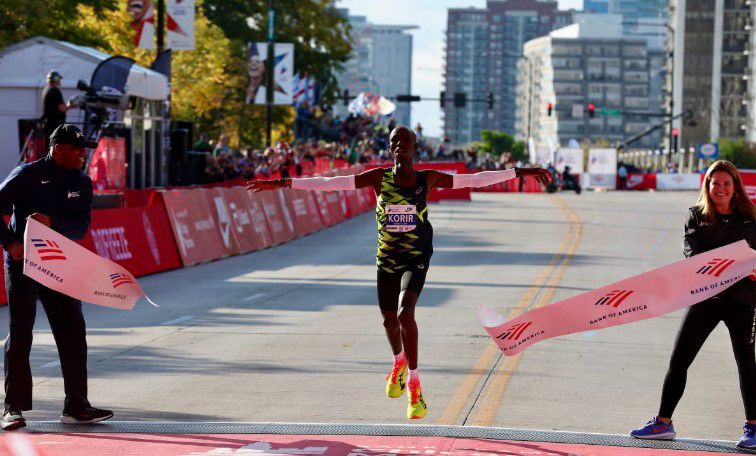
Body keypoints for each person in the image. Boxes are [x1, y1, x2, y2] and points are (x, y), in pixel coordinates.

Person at [247, 126, 551, 420]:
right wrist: (283, 182)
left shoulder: (426, 180)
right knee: (389, 320)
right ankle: (398, 362)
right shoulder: (379, 179)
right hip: (387, 259)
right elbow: (330, 183)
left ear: (414, 147)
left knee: (406, 315)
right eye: (393, 142)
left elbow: (476, 179)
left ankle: (415, 386)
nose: (398, 146)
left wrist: (521, 172)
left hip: (416, 257)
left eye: (404, 142)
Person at [630, 160, 756, 450]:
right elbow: (692, 257)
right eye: (716, 183)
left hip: (742, 300)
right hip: (706, 298)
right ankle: (663, 423)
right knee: (679, 359)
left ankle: (753, 427)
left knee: (746, 363)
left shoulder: (750, 218)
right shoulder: (696, 216)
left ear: (735, 187)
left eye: (727, 183)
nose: (721, 189)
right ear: (707, 186)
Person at [0, 124, 113, 430]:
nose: (83, 155)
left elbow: (80, 227)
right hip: (24, 263)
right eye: (78, 150)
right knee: (21, 333)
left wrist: (54, 222)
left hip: (60, 264)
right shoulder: (26, 174)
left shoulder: (82, 182)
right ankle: (13, 409)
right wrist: (9, 242)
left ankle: (77, 407)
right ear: (59, 149)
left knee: (73, 332)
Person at [41, 70, 77, 148]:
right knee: (56, 152)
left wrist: (69, 105)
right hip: (55, 127)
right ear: (55, 79)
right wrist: (72, 105)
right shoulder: (55, 91)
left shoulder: (46, 89)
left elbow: (59, 106)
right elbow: (62, 108)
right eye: (59, 79)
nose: (60, 81)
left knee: (50, 152)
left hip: (49, 126)